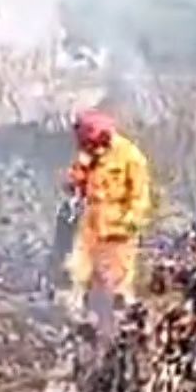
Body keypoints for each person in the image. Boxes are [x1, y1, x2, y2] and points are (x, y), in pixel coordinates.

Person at [62, 109, 151, 323]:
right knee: (76, 272)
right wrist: (81, 169)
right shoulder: (88, 155)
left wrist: (128, 224)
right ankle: (78, 320)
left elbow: (140, 197)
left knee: (116, 283)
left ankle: (123, 324)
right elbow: (71, 186)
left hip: (118, 232)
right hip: (91, 226)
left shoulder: (130, 157)